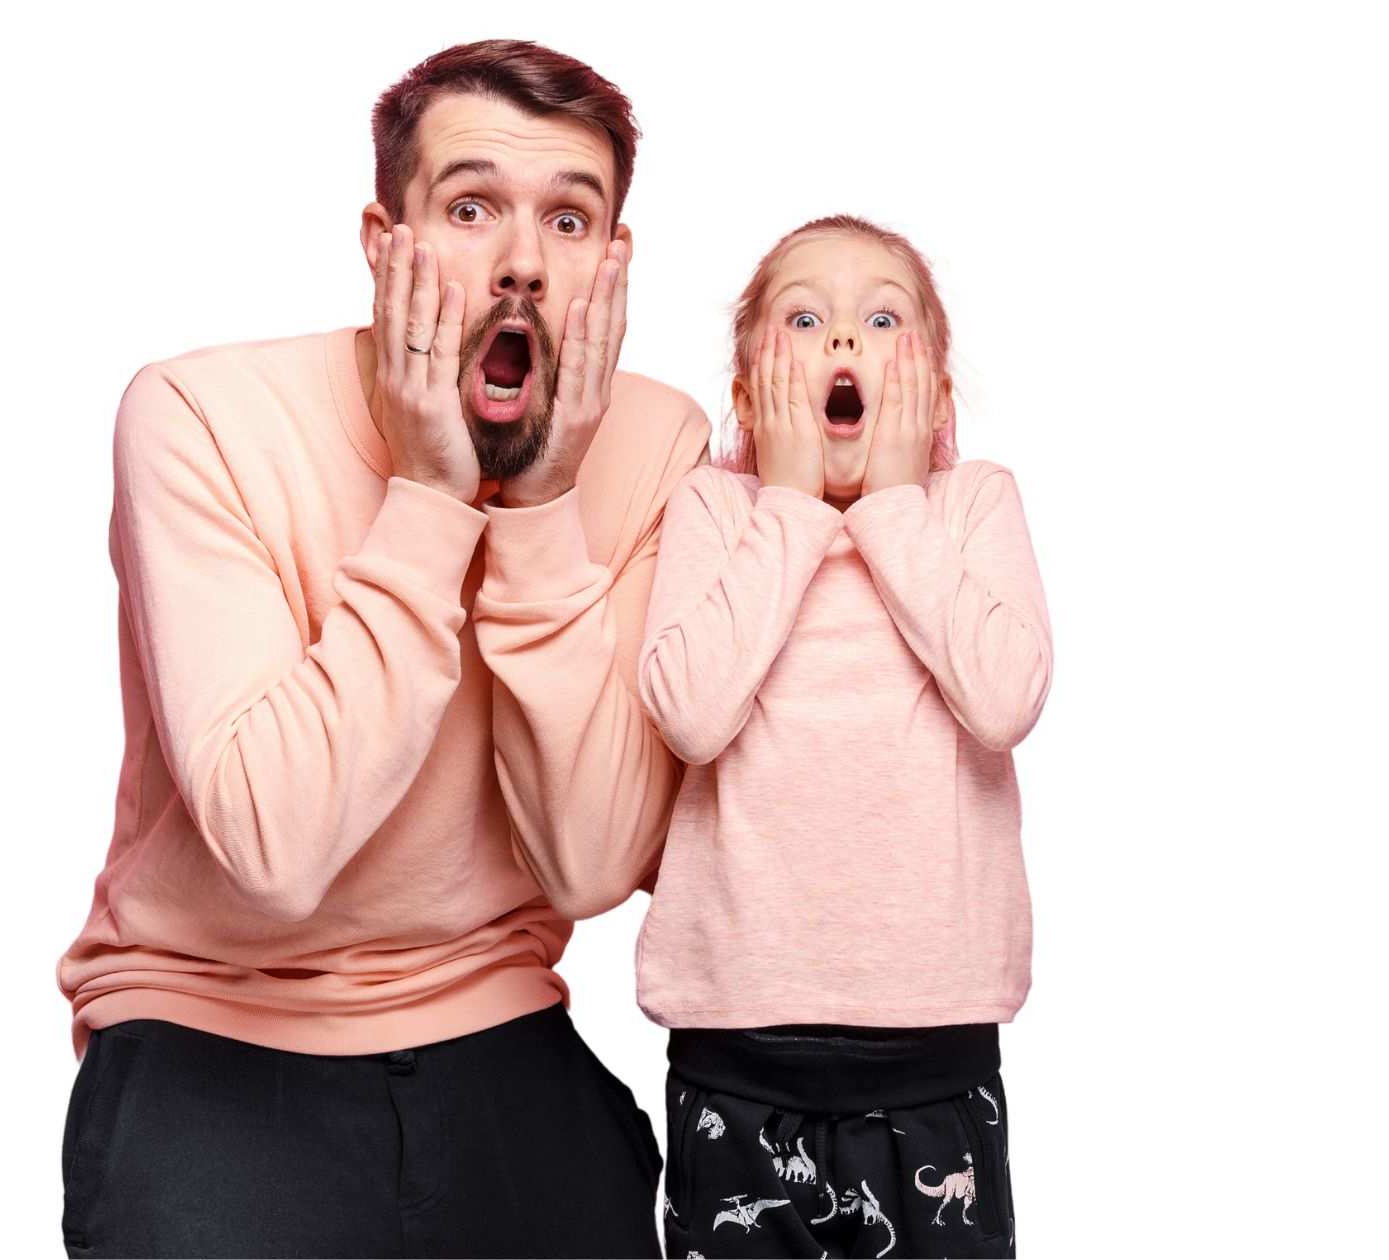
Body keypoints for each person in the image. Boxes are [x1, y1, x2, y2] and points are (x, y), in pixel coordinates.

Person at [54, 40, 706, 1258]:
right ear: (381, 240)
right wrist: (431, 500)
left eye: (570, 221)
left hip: (502, 1026)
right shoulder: (197, 419)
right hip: (212, 1031)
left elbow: (589, 864)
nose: (521, 260)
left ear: (612, 266)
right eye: (469, 209)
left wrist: (547, 502)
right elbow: (273, 847)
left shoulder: (657, 443)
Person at [635, 215, 1053, 1259]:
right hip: (738, 1051)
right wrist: (784, 502)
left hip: (933, 1057)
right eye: (805, 319)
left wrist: (897, 502)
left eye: (879, 318)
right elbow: (688, 712)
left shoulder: (966, 507)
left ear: (937, 395)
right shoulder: (718, 513)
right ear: (745, 398)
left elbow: (1004, 697)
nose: (841, 344)